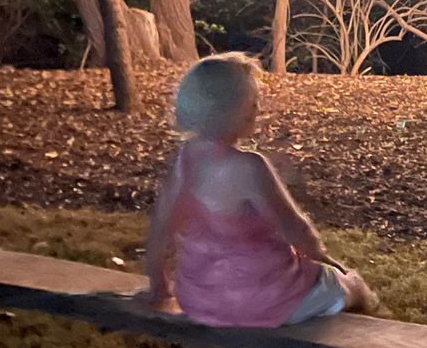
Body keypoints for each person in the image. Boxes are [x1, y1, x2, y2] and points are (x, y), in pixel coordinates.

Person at [144, 53, 383, 326]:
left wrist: (158, 283)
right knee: (344, 283)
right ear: (230, 109)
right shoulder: (250, 166)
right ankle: (365, 301)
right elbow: (295, 229)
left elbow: (161, 226)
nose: (257, 107)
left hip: (201, 298)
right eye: (252, 101)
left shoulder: (186, 160)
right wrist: (325, 260)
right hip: (261, 299)